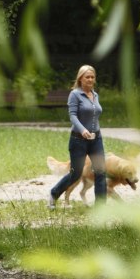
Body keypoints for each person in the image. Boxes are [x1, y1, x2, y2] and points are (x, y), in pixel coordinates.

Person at [48, 65, 107, 208]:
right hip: (78, 140)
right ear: (80, 78)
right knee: (75, 173)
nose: (90, 79)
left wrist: (95, 130)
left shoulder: (95, 94)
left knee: (100, 172)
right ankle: (54, 193)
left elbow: (95, 115)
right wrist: (82, 130)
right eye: (87, 77)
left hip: (96, 140)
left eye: (92, 77)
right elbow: (73, 116)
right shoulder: (75, 94)